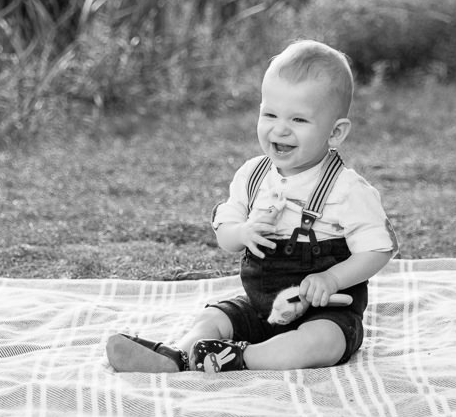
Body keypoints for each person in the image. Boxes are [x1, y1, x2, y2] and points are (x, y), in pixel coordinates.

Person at [106, 39, 395, 373]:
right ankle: (180, 356)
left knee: (322, 344)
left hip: (326, 312)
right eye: (270, 114)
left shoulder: (347, 189)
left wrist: (331, 278)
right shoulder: (253, 176)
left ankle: (240, 358)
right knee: (214, 316)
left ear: (335, 133)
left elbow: (378, 249)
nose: (280, 128)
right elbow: (226, 237)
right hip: (261, 307)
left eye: (299, 120)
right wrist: (242, 232)